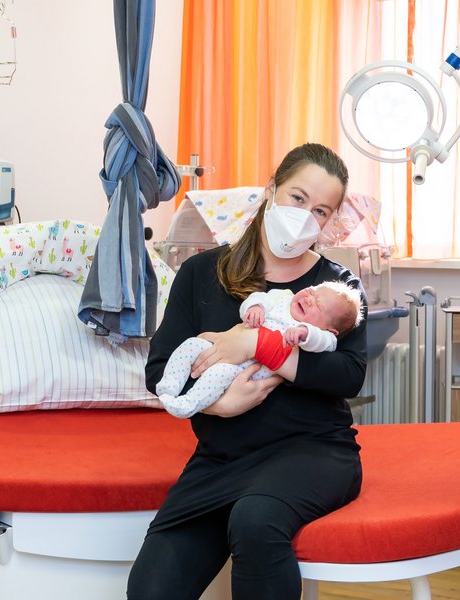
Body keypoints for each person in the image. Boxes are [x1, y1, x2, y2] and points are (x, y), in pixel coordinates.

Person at [127, 143, 367, 600]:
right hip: (221, 458)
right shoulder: (200, 273)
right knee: (150, 589)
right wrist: (219, 405)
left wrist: (255, 343)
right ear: (271, 189)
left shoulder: (337, 290)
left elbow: (347, 375)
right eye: (297, 198)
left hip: (311, 453)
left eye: (320, 210)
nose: (305, 217)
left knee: (256, 522)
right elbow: (160, 369)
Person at [156, 281, 363, 418]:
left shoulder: (320, 334)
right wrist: (254, 308)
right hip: (221, 348)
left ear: (330, 329)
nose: (309, 299)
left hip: (246, 372)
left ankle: (188, 404)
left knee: (219, 375)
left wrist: (305, 333)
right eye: (313, 291)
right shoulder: (282, 297)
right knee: (192, 344)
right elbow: (258, 298)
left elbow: (324, 343)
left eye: (318, 306)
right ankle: (169, 387)